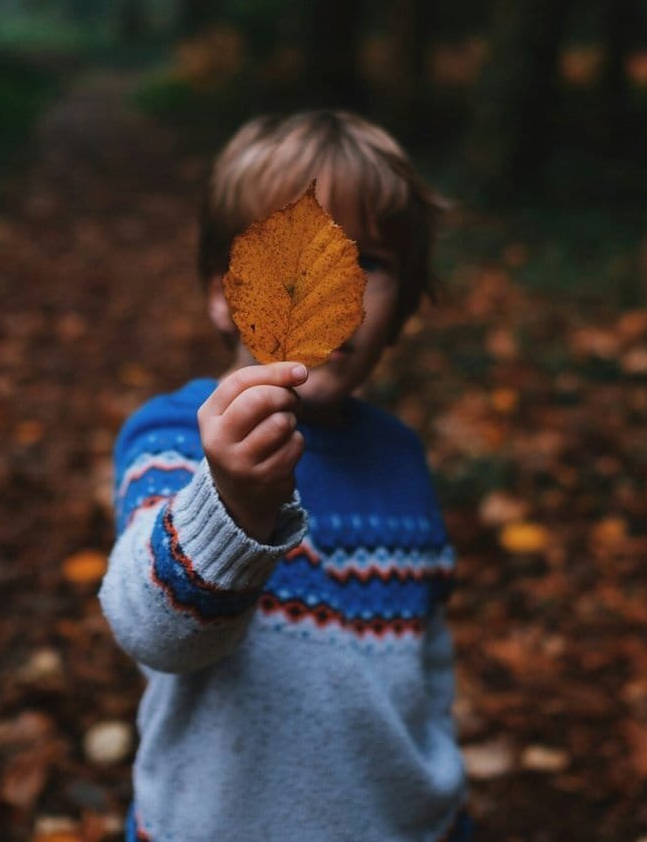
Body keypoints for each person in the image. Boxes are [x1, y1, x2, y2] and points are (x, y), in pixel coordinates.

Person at [99, 111, 470, 841]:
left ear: (403, 309)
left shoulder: (400, 457)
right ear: (223, 291)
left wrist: (441, 803)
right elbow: (155, 631)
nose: (336, 289)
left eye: (371, 262)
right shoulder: (177, 438)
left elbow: (427, 671)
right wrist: (232, 502)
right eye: (287, 256)